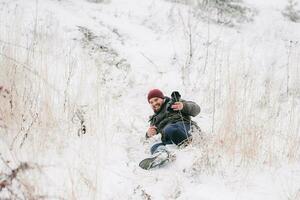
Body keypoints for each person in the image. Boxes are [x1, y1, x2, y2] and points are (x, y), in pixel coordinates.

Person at [144, 89, 200, 166]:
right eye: (151, 102)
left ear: (162, 98)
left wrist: (183, 106)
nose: (154, 103)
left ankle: (189, 147)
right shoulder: (154, 120)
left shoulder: (174, 103)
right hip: (169, 137)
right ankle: (162, 154)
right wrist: (148, 134)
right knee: (154, 146)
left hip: (185, 128)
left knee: (170, 129)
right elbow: (149, 138)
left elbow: (197, 109)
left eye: (156, 100)